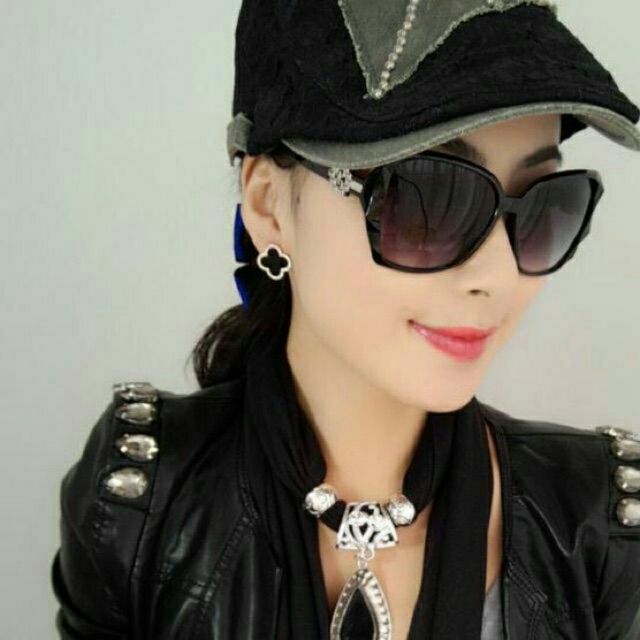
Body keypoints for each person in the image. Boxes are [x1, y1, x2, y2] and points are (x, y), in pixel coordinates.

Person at [51, 1, 640, 638]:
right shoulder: (141, 506)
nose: (497, 275)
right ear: (269, 205)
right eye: (427, 198)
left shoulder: (596, 524)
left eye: (547, 205)